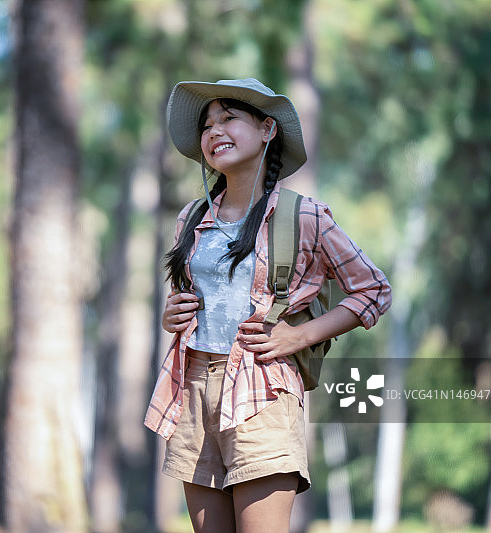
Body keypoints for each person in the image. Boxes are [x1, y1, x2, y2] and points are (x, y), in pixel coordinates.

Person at [144, 78, 392, 533]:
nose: (214, 130)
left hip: (264, 392)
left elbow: (373, 289)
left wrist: (298, 336)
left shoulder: (305, 215)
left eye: (228, 118)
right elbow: (197, 301)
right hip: (193, 388)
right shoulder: (191, 217)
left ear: (267, 130)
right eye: (207, 124)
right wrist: (171, 316)